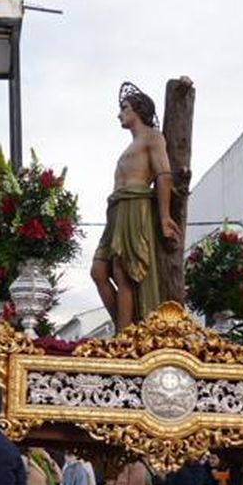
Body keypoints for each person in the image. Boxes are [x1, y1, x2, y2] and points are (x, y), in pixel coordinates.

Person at [90, 81, 180, 332]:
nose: (119, 114)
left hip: (135, 205)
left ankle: (125, 334)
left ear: (139, 110)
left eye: (124, 108)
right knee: (99, 271)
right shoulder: (133, 144)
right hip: (117, 209)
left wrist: (164, 217)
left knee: (124, 272)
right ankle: (128, 328)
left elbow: (164, 175)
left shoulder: (153, 137)